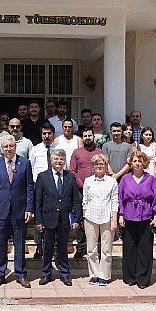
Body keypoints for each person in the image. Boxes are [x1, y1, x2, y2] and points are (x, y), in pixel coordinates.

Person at [0, 134, 34, 288]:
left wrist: (29, 208)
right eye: (5, 146)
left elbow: (29, 187)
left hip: (19, 210)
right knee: (0, 243)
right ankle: (0, 274)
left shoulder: (25, 163)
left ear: (15, 147)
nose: (8, 149)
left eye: (11, 146)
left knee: (19, 243)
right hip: (1, 210)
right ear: (1, 148)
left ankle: (20, 274)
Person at [35, 149, 82, 287]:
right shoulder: (42, 177)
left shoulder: (70, 177)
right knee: (47, 247)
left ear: (65, 161)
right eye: (56, 159)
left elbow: (76, 200)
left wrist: (77, 219)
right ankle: (46, 274)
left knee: (63, 248)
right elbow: (38, 201)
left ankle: (65, 274)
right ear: (51, 160)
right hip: (48, 217)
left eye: (61, 159)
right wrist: (38, 220)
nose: (58, 161)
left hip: (64, 218)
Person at [118, 151, 156, 288]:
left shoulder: (150, 179)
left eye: (139, 161)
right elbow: (120, 199)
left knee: (145, 249)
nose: (137, 163)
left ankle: (143, 278)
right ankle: (130, 277)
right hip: (129, 216)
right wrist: (120, 215)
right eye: (135, 161)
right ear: (131, 163)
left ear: (144, 163)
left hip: (146, 217)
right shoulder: (125, 179)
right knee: (129, 248)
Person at [82, 154, 118, 286]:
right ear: (93, 166)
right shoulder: (88, 181)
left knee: (106, 249)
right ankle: (94, 274)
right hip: (91, 217)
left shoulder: (112, 181)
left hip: (107, 218)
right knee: (91, 249)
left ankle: (104, 275)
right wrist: (84, 217)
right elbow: (84, 201)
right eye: (96, 164)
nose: (99, 166)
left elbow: (115, 201)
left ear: (106, 166)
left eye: (102, 164)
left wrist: (114, 220)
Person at [68, 127, 103, 259]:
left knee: (97, 217)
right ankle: (81, 247)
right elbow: (72, 171)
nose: (87, 137)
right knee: (81, 218)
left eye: (90, 135)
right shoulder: (77, 152)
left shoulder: (99, 152)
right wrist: (81, 184)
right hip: (80, 190)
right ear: (82, 138)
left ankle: (96, 247)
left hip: (97, 190)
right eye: (85, 136)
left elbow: (103, 168)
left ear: (94, 137)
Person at [28, 123, 56, 258]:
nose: (47, 136)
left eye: (49, 133)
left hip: (55, 187)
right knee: (39, 216)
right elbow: (31, 167)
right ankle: (39, 246)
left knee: (54, 216)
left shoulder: (58, 149)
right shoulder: (35, 149)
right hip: (38, 186)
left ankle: (54, 247)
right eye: (44, 133)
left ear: (53, 134)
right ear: (41, 135)